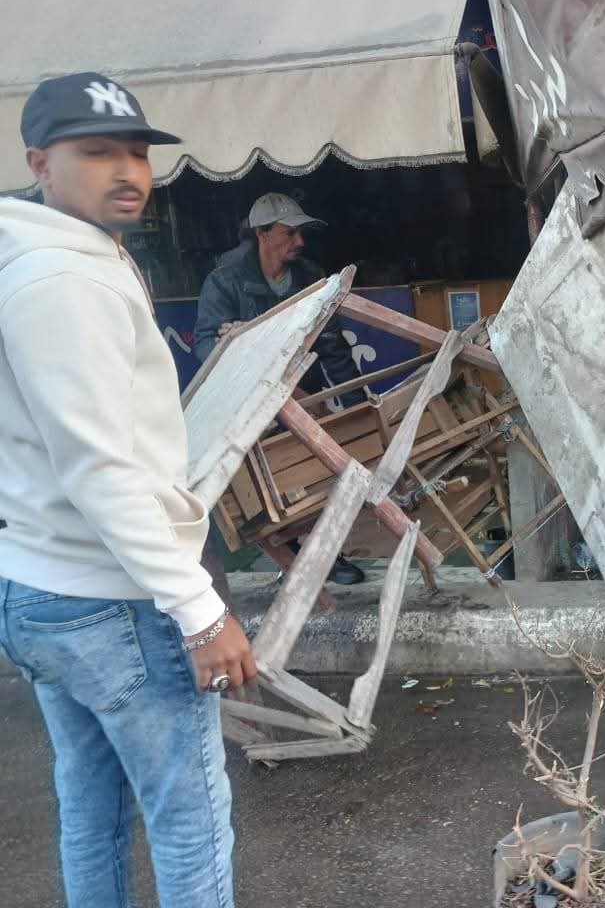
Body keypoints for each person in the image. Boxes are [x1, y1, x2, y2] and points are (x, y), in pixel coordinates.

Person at [0, 72, 253, 907]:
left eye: (139, 153)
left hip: (44, 585)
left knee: (93, 809)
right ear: (40, 163)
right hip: (113, 598)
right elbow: (99, 468)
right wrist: (199, 610)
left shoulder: (52, 257)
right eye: (98, 151)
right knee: (191, 826)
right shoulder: (61, 281)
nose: (127, 172)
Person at [194, 192, 366, 586]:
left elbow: (333, 346)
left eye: (302, 234)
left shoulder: (310, 277)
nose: (299, 242)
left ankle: (326, 552)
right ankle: (291, 554)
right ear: (261, 233)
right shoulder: (225, 279)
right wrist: (235, 344)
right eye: (289, 233)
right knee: (266, 485)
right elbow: (206, 345)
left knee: (319, 469)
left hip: (303, 395)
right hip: (248, 404)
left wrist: (355, 407)